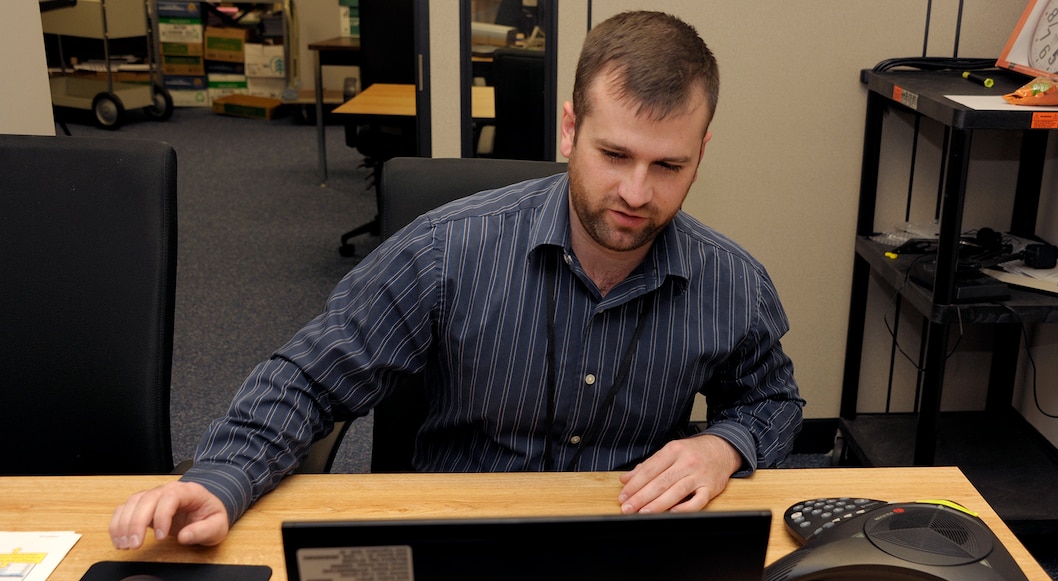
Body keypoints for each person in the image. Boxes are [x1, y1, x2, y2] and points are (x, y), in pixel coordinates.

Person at [110, 11, 804, 551]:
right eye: (614, 153)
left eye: (668, 166)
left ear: (702, 152)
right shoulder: (450, 250)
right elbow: (309, 378)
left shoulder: (729, 281)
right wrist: (220, 479)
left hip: (627, 550)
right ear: (569, 129)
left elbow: (773, 400)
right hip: (456, 543)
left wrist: (724, 445)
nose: (634, 190)